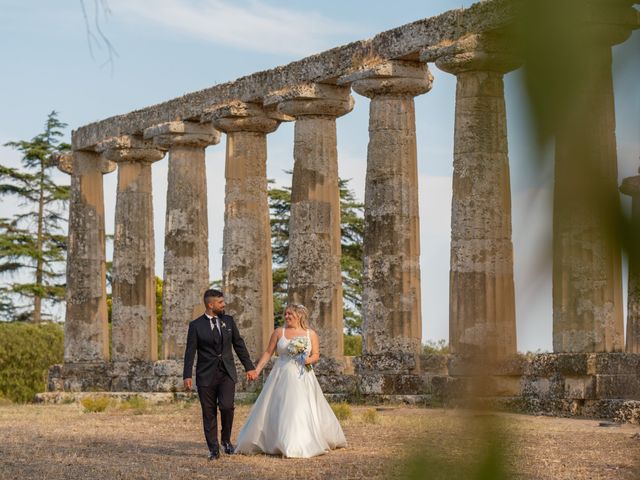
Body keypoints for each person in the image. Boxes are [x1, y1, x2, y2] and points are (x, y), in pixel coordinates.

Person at [234, 303, 347, 458]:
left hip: (303, 376)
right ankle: (275, 440)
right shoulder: (279, 332)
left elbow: (316, 354)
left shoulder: (310, 334)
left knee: (300, 407)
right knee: (278, 406)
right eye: (285, 314)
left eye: (290, 314)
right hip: (281, 374)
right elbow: (268, 352)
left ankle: (299, 443)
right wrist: (257, 370)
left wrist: (309, 360)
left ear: (299, 315)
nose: (286, 317)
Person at [183, 289, 257, 460]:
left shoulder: (228, 321)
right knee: (208, 412)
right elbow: (190, 352)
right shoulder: (196, 325)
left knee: (226, 406)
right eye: (220, 303)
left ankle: (226, 440)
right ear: (210, 305)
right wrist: (187, 375)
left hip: (227, 373)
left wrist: (249, 367)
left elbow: (239, 344)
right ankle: (213, 448)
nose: (224, 305)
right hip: (205, 375)